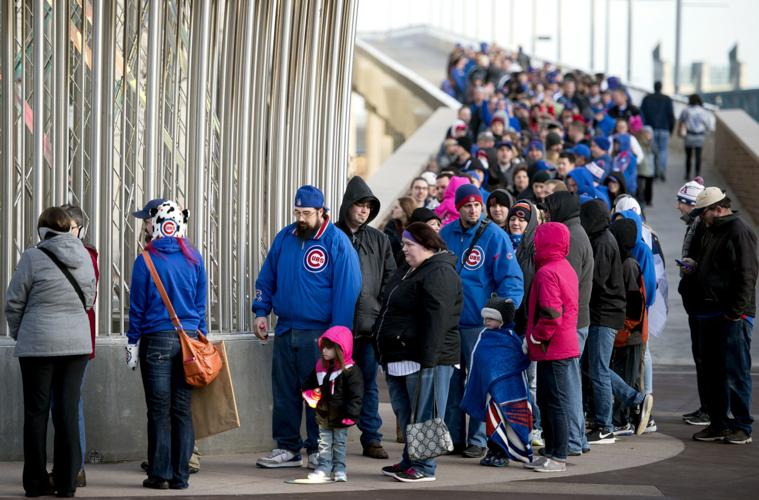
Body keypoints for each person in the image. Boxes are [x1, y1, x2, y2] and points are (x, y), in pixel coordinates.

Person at [253, 185, 361, 469]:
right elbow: (267, 278)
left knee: (320, 393)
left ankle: (318, 449)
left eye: (307, 213)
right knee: (285, 392)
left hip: (319, 334)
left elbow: (347, 291)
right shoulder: (285, 238)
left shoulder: (336, 242)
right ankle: (288, 447)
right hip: (287, 329)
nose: (301, 218)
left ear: (322, 212)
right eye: (297, 212)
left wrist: (337, 338)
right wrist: (261, 311)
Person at [5, 207, 96, 498]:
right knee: (67, 412)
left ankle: (35, 483)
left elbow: (14, 302)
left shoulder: (32, 256)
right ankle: (67, 483)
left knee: (36, 413)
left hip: (38, 346)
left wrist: (23, 332)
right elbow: (90, 298)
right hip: (77, 346)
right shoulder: (85, 255)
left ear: (43, 231)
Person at [126, 200, 206, 490]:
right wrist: (200, 338)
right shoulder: (195, 259)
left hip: (155, 340)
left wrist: (132, 343)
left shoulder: (145, 260)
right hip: (188, 341)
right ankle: (181, 476)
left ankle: (159, 474)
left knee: (159, 410)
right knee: (182, 410)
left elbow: (137, 309)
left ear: (156, 225)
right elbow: (200, 307)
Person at [441, 184, 524, 458]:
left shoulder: (495, 236)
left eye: (477, 204)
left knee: (479, 383)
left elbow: (511, 280)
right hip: (450, 323)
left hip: (480, 324)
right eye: (467, 205)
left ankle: (477, 439)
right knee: (452, 384)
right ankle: (453, 436)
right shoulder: (446, 234)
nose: (473, 209)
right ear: (458, 207)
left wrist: (501, 315)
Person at [375, 222, 462, 483]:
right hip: (401, 356)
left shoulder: (439, 273)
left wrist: (428, 360)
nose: (404, 250)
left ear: (426, 246)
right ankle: (410, 460)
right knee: (407, 413)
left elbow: (438, 320)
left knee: (425, 414)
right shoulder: (410, 270)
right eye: (403, 244)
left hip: (426, 358)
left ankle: (425, 466)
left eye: (409, 245)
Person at [686, 188, 757, 444]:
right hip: (712, 311)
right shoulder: (713, 229)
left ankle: (742, 426)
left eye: (703, 213)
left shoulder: (739, 231)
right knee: (714, 372)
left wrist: (735, 312)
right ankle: (719, 423)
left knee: (736, 371)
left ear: (716, 209)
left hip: (731, 315)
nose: (700, 218)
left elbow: (747, 275)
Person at [335, 176, 396, 459]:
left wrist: (380, 310)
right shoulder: (331, 236)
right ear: (348, 205)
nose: (364, 211)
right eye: (359, 205)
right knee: (335, 384)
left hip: (368, 327)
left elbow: (389, 279)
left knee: (369, 385)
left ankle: (372, 438)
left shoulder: (380, 239)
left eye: (368, 207)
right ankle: (334, 440)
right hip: (337, 328)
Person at [523, 222, 579, 473]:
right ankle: (551, 452)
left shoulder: (546, 272)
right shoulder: (564, 267)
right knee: (551, 400)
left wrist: (535, 337)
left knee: (554, 402)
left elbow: (551, 314)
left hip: (552, 346)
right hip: (562, 345)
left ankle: (557, 456)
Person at [543, 192, 594, 455]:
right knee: (570, 384)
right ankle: (577, 439)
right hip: (575, 321)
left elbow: (563, 288)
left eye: (550, 208)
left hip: (569, 324)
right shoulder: (575, 231)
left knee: (566, 388)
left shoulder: (570, 237)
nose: (547, 214)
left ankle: (573, 440)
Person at [460, 298, 533, 468]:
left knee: (507, 422)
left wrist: (497, 376)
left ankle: (503, 453)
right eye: (485, 319)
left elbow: (518, 362)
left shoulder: (511, 339)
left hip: (509, 392)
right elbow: (477, 359)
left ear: (502, 320)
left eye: (490, 319)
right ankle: (493, 450)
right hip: (490, 391)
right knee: (493, 420)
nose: (486, 322)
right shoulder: (484, 336)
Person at [58, 204, 100, 488]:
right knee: (63, 404)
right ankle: (71, 466)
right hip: (67, 338)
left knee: (70, 404)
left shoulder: (86, 256)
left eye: (69, 227)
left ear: (79, 229)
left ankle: (75, 467)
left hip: (76, 339)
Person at [579, 199, 627, 445]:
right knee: (595, 368)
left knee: (598, 371)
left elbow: (595, 281)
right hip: (603, 313)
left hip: (603, 314)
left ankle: (604, 426)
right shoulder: (601, 238)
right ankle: (632, 400)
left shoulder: (602, 242)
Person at [302, 327, 363, 482]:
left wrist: (351, 415)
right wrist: (310, 395)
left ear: (340, 349)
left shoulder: (351, 371)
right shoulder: (320, 367)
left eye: (329, 347)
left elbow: (356, 396)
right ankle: (323, 468)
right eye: (323, 347)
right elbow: (308, 385)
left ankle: (339, 469)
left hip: (341, 416)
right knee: (323, 443)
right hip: (324, 414)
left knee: (339, 444)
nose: (324, 351)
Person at [608, 217, 652, 435]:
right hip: (625, 333)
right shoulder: (625, 262)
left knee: (626, 376)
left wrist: (623, 329)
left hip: (630, 335)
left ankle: (622, 420)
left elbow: (635, 305)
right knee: (623, 375)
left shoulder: (628, 265)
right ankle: (624, 418)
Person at [674, 179, 709, 426]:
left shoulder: (701, 227)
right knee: (701, 356)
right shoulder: (695, 225)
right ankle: (706, 406)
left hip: (702, 302)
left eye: (682, 203)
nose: (677, 207)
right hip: (695, 300)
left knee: (706, 358)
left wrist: (690, 269)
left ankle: (710, 409)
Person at [639, 82, 675, 181]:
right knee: (663, 151)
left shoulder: (647, 98)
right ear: (661, 87)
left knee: (652, 151)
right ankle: (662, 171)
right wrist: (670, 129)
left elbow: (641, 114)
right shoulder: (667, 99)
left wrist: (644, 128)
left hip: (650, 129)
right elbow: (671, 115)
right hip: (664, 128)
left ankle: (654, 172)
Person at [678, 94, 712, 180]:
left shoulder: (686, 110)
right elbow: (708, 125)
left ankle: (687, 174)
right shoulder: (703, 111)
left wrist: (680, 131)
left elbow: (681, 121)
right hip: (699, 136)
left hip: (689, 135)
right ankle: (697, 175)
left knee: (688, 156)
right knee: (698, 156)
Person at [383, 197, 416, 261]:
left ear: (405, 210)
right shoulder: (391, 225)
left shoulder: (415, 227)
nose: (392, 210)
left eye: (396, 207)